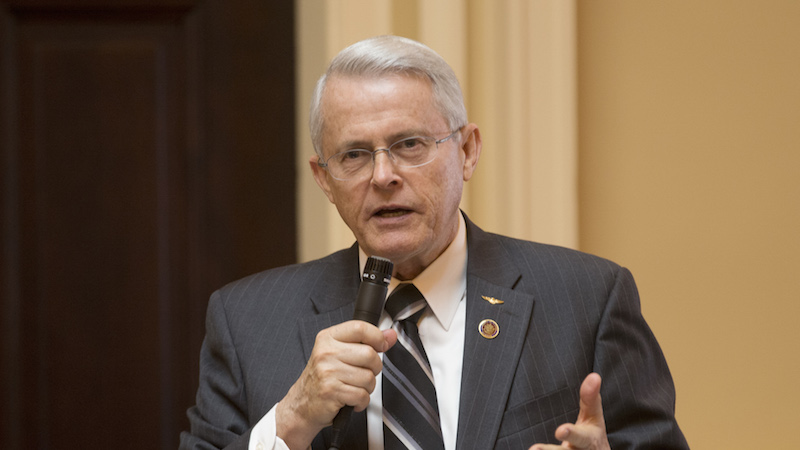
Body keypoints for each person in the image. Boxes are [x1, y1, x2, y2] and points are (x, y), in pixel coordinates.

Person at [180, 35, 688, 450]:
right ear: (324, 178)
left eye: (409, 145)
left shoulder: (587, 299)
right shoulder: (246, 322)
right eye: (354, 155)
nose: (383, 176)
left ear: (466, 151)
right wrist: (290, 422)